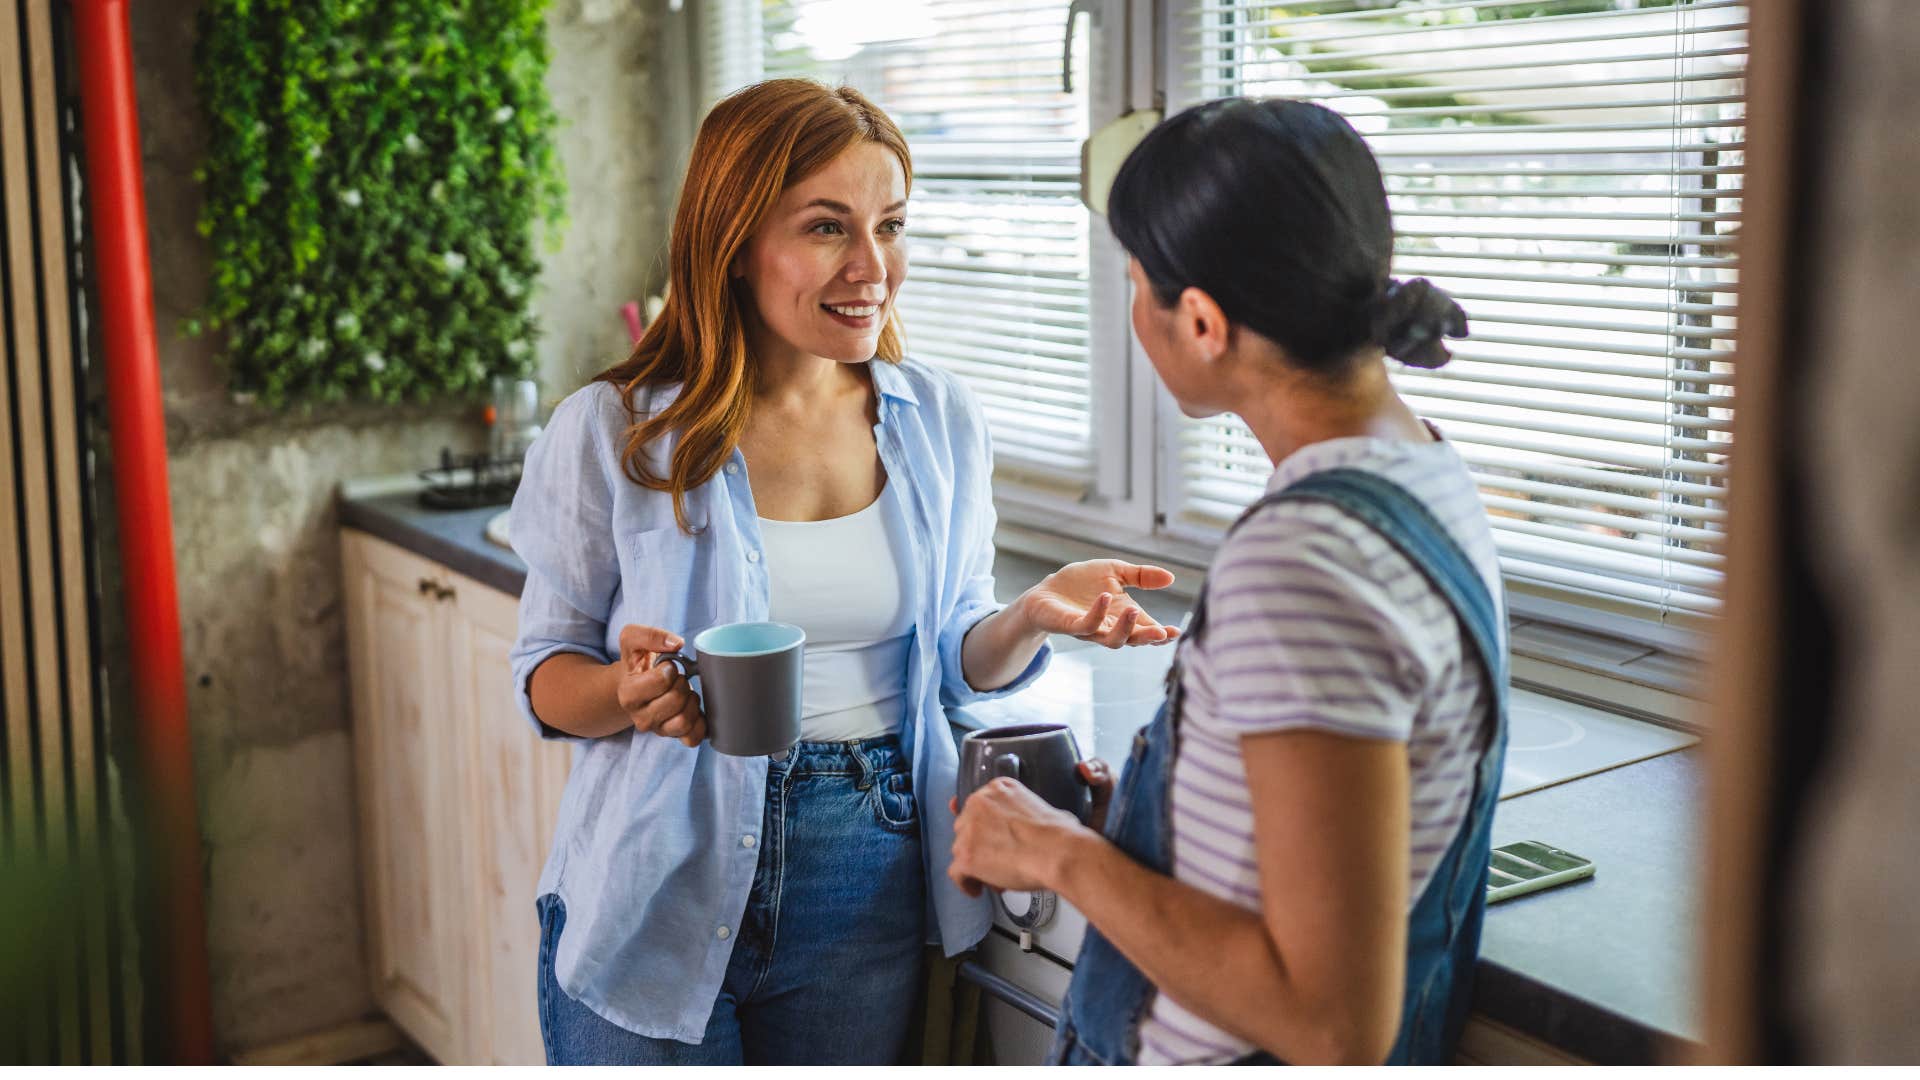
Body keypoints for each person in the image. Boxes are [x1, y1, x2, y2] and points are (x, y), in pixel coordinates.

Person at [507, 78, 1178, 1066]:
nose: (873, 267)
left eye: (890, 226)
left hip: (869, 874)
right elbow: (544, 673)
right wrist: (624, 692)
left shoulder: (938, 420)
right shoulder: (617, 432)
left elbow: (955, 662)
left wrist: (1031, 614)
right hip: (655, 877)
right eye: (828, 227)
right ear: (735, 242)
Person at [947, 97, 1507, 1065]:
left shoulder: (1304, 562)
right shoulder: (1422, 472)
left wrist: (1056, 853)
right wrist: (1154, 822)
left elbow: (1329, 1021)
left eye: (1136, 284)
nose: (1132, 312)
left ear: (1203, 322)